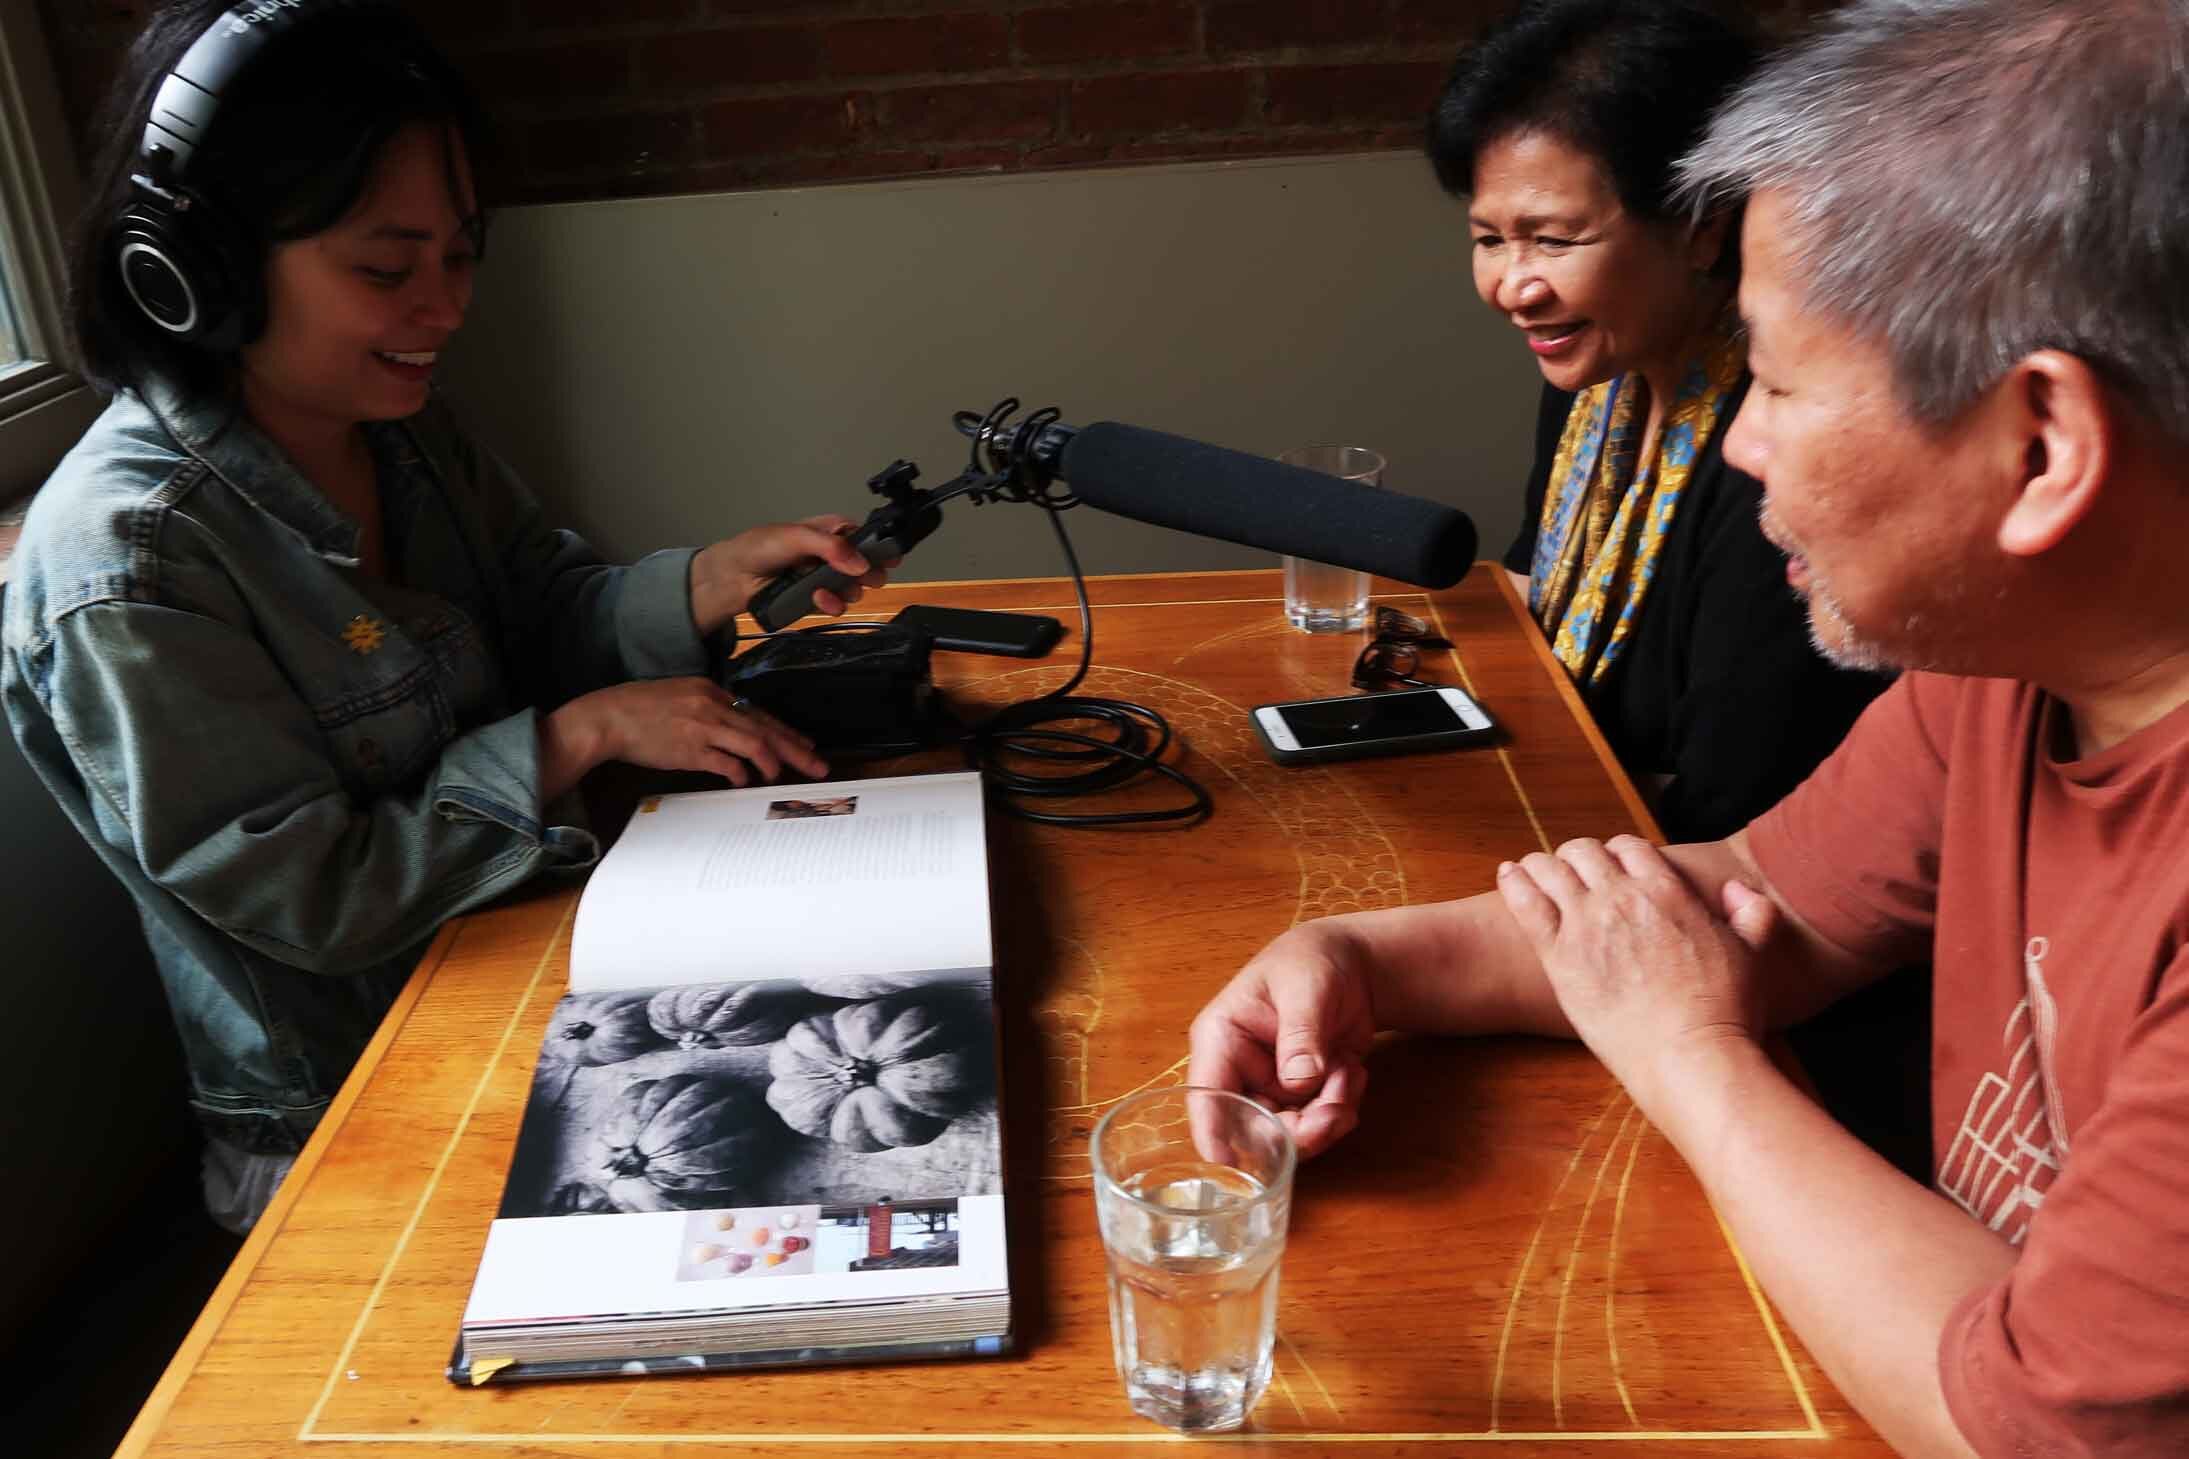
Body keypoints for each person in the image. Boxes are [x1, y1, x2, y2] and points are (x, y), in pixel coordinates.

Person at [1192, 0, 2189, 1454]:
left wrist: (1692, 1052)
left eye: (1777, 382)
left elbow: (2038, 1428)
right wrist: (1358, 957)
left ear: (2041, 447)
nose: (1737, 441)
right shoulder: (2004, 667)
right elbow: (1757, 900)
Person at [1, 1, 885, 1233]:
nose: (445, 307)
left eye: (462, 255)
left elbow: (540, 603)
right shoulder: (129, 568)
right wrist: (570, 739)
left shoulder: (401, 426)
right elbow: (316, 898)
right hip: (344, 1118)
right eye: (385, 267)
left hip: (530, 964)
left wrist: (700, 580)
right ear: (192, 268)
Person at [1426, 0, 1888, 843]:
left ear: (1701, 224)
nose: (1512, 285)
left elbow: (1741, 813)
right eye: (1489, 238)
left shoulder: (1775, 449)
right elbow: (1535, 591)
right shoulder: (1593, 376)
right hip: (1561, 824)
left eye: (1555, 240)